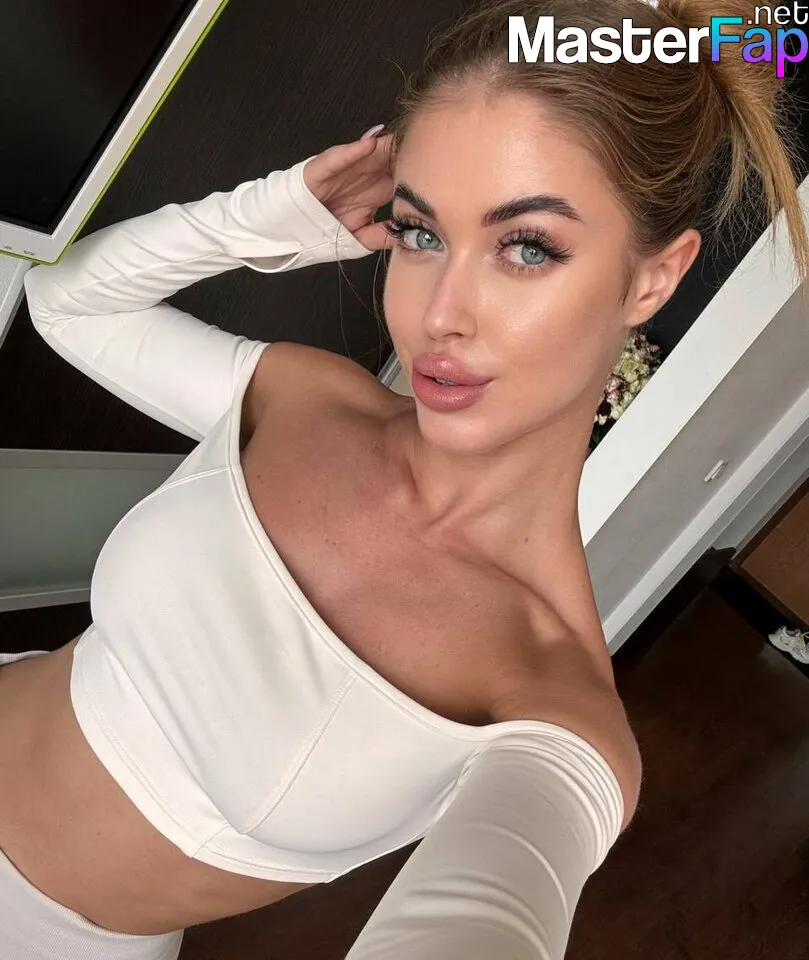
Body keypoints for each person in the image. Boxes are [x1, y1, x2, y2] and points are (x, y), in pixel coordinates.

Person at [1, 0, 806, 956]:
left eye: (526, 247)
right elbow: (69, 303)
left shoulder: (550, 710)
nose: (437, 316)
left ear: (652, 279)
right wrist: (281, 212)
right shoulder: (309, 400)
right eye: (421, 233)